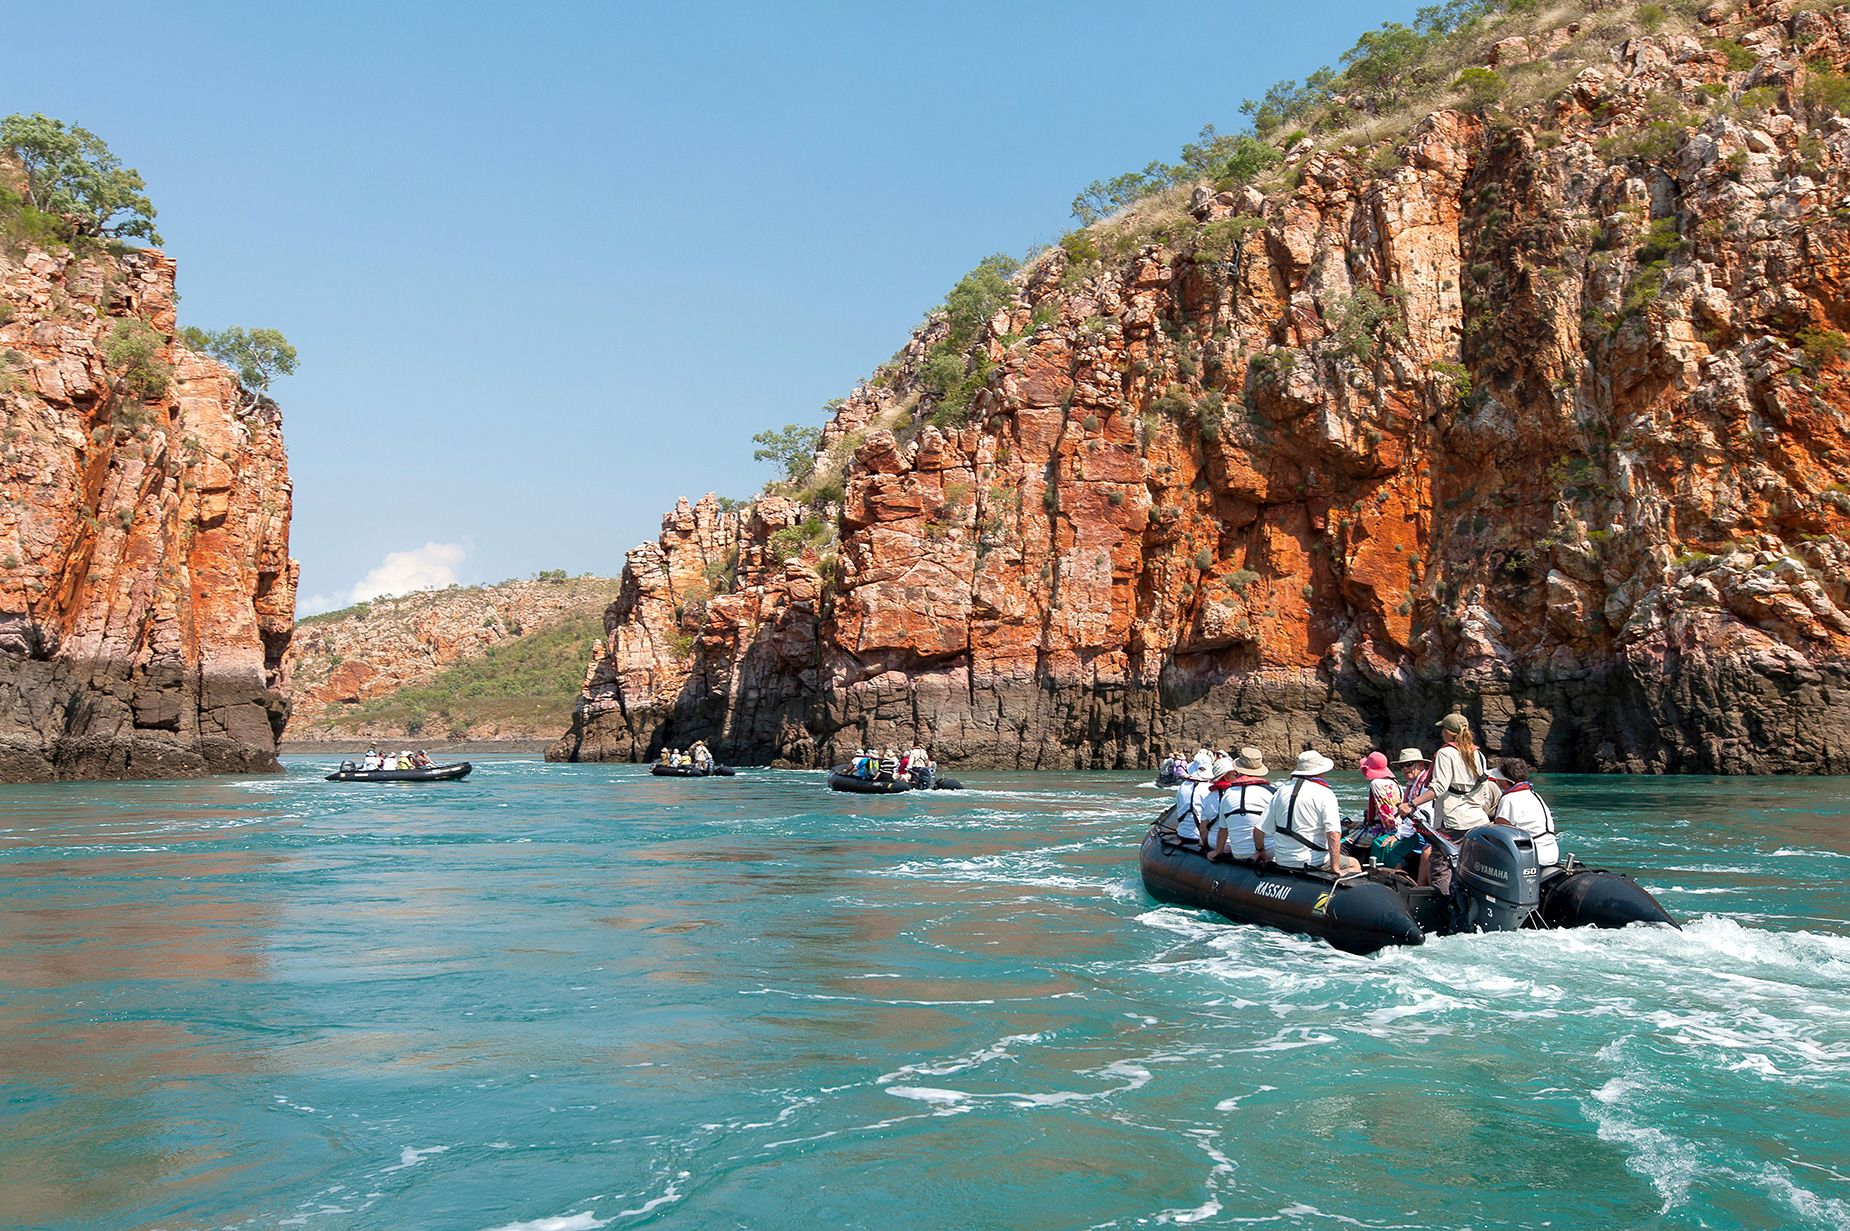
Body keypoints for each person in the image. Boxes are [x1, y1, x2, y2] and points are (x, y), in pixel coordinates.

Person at [1414, 713, 1501, 894]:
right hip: (1478, 821)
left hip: (1452, 822)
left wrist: (1412, 803)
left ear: (1447, 732)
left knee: (1441, 867)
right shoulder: (1478, 754)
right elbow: (1484, 791)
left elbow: (1438, 788)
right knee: (1470, 866)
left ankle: (1443, 909)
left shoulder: (1446, 754)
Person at [1257, 749, 1360, 874]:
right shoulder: (1325, 793)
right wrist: (1335, 867)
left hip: (1282, 860)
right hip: (1313, 862)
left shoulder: (1281, 791)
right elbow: (1333, 834)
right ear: (1320, 772)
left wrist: (1260, 850)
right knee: (1354, 864)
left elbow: (1259, 830)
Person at [1206, 747, 1273, 860]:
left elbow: (1223, 830)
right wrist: (1259, 850)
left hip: (1239, 853)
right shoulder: (1270, 793)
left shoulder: (1227, 794)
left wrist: (1217, 852)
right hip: (1269, 852)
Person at [1491, 759, 1559, 867]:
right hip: (1552, 854)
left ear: (1504, 781)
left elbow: (1500, 830)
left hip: (1532, 857)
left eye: (1498, 778)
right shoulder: (1534, 795)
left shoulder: (1508, 799)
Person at [1355, 752, 1404, 866]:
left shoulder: (1376, 783)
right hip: (1396, 824)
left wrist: (1391, 833)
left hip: (1384, 827)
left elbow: (1385, 812)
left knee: (1346, 843)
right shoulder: (1394, 782)